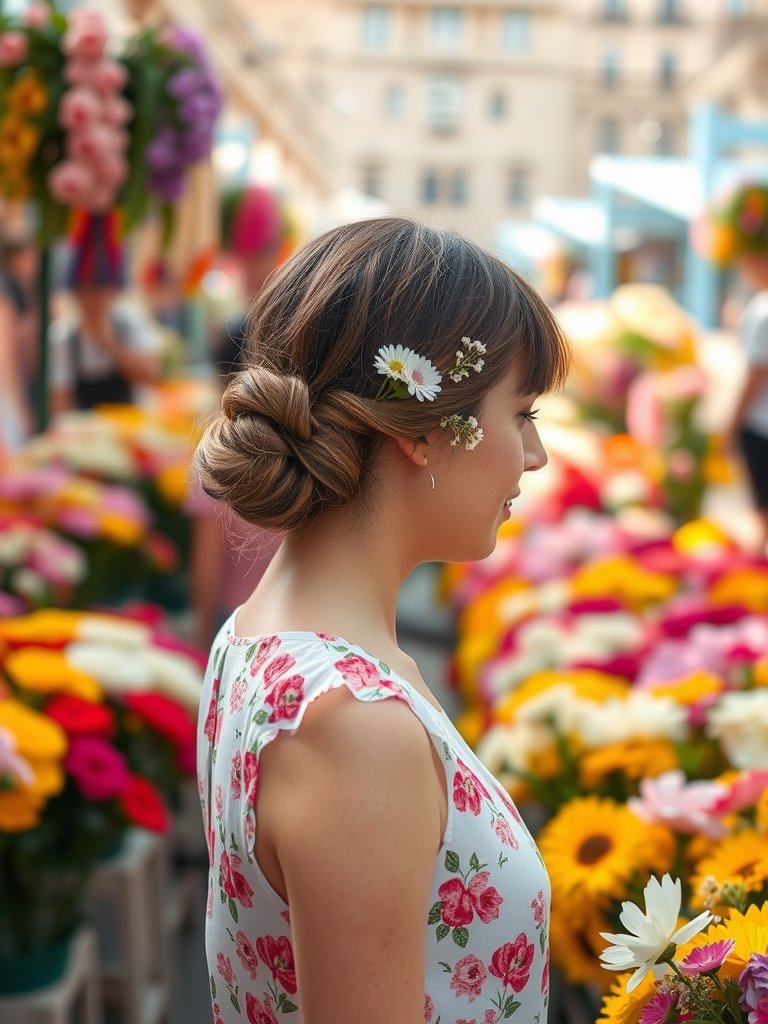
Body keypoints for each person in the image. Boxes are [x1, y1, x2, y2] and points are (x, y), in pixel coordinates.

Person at [194, 217, 570, 1024]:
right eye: (524, 413)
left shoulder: (254, 634)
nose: (535, 456)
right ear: (430, 429)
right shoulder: (353, 728)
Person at [186, 185, 290, 644]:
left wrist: (204, 642)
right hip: (299, 627)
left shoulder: (218, 458)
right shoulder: (310, 448)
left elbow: (205, 561)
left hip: (237, 628)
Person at [49, 212, 162, 413]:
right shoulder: (62, 338)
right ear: (76, 290)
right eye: (88, 287)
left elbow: (151, 376)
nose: (97, 298)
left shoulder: (130, 322)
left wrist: (107, 341)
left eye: (103, 287)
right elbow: (59, 402)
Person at [719, 185, 768, 554]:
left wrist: (730, 427)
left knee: (760, 512)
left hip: (761, 426)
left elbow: (755, 377)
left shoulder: (762, 310)